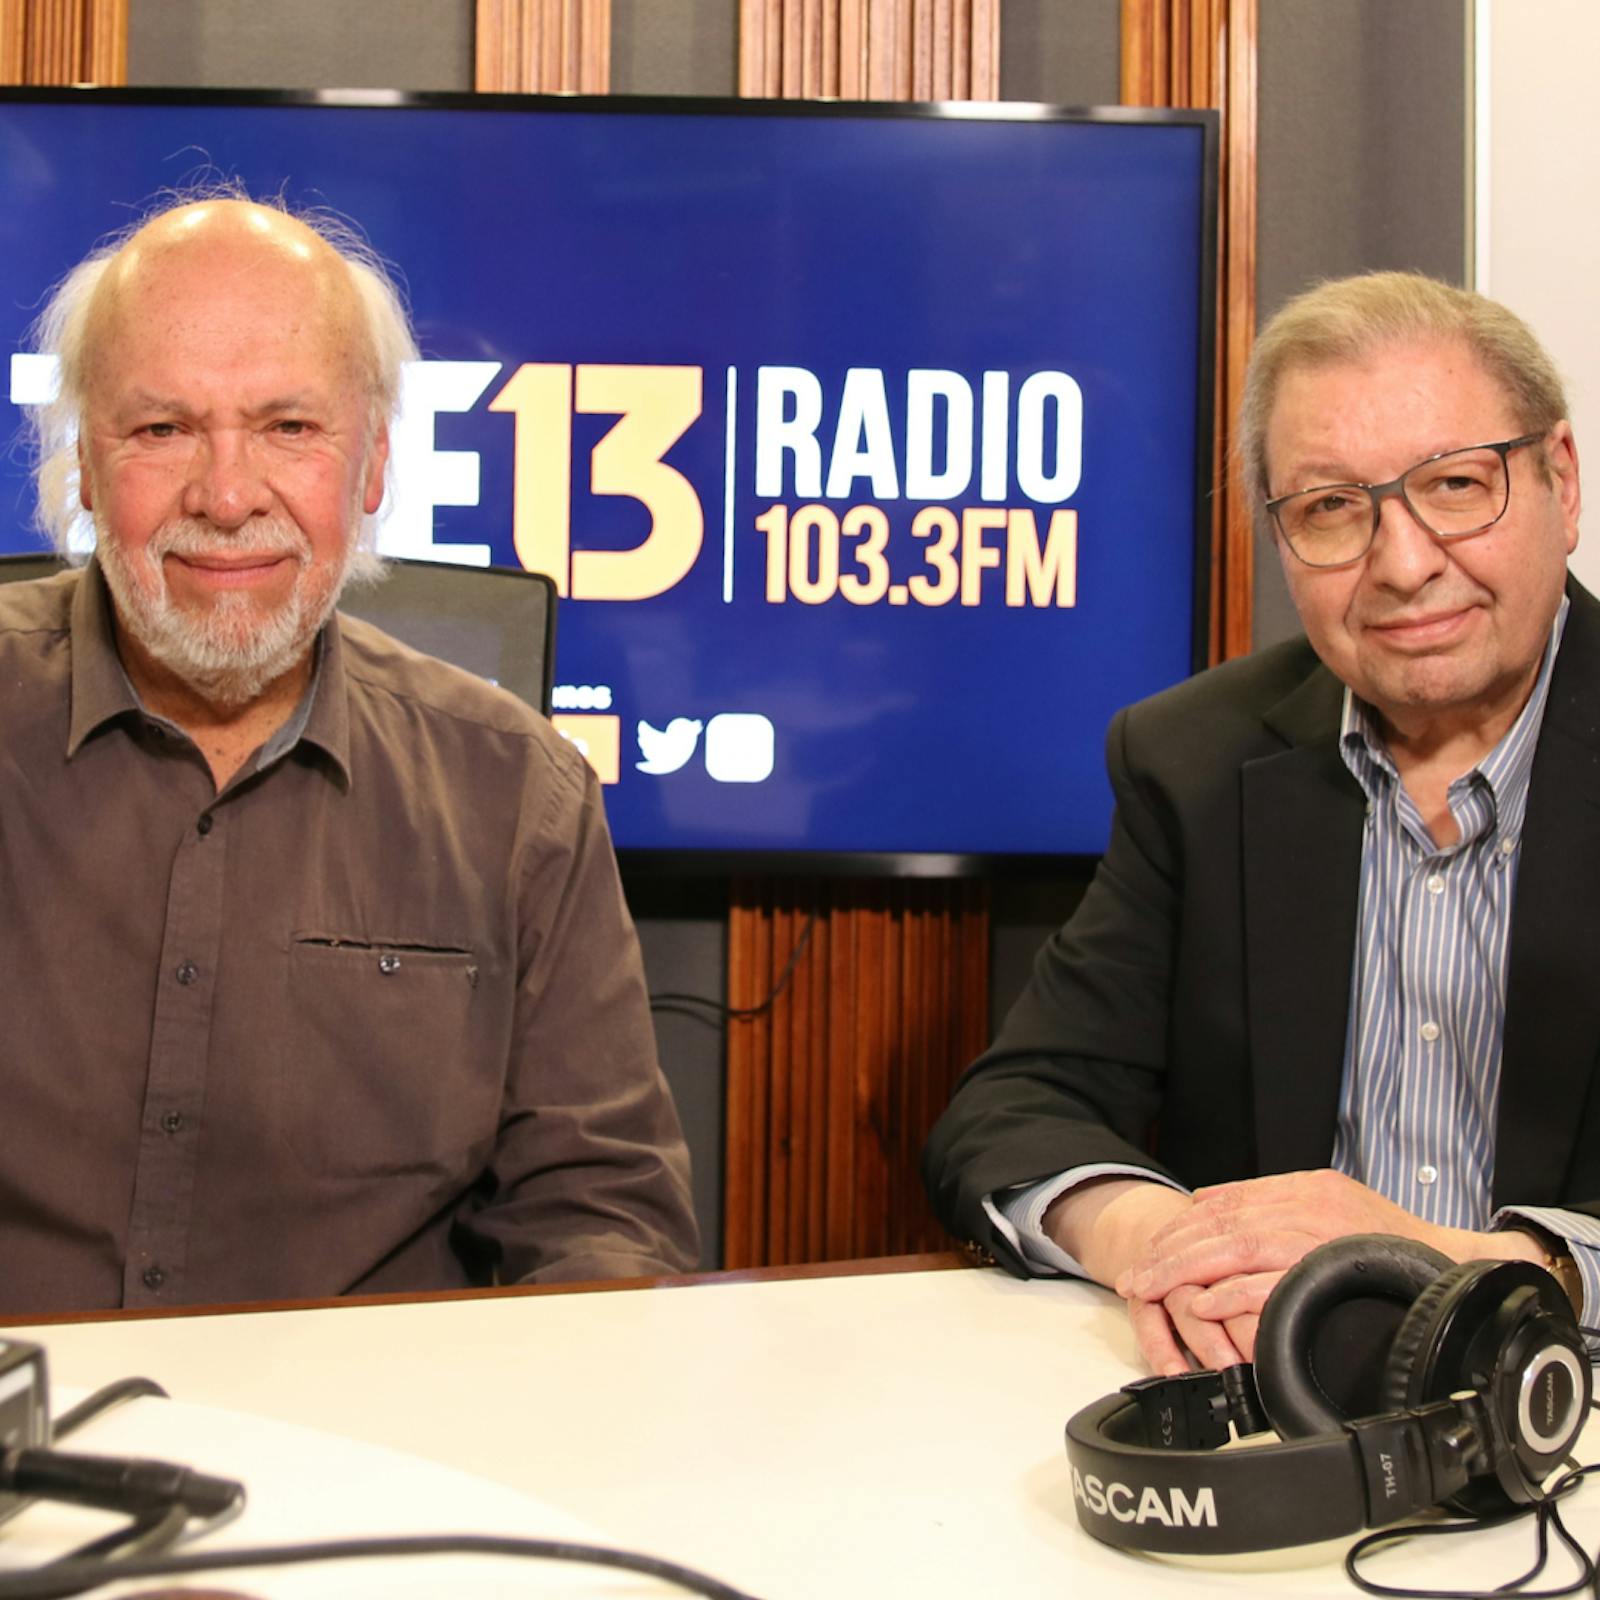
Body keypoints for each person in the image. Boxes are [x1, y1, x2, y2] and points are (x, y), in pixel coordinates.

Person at [0, 194, 698, 1313]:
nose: (227, 497)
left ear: (371, 466)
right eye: (162, 428)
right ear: (85, 463)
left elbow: (599, 1219)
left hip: (372, 1462)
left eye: (288, 428)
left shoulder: (519, 796)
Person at [923, 270, 1600, 1377]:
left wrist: (1483, 1266)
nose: (1403, 561)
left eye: (1456, 485)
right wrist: (1170, 1242)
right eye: (1333, 507)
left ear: (1559, 481)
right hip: (1267, 1401)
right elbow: (1016, 1106)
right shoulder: (1192, 759)